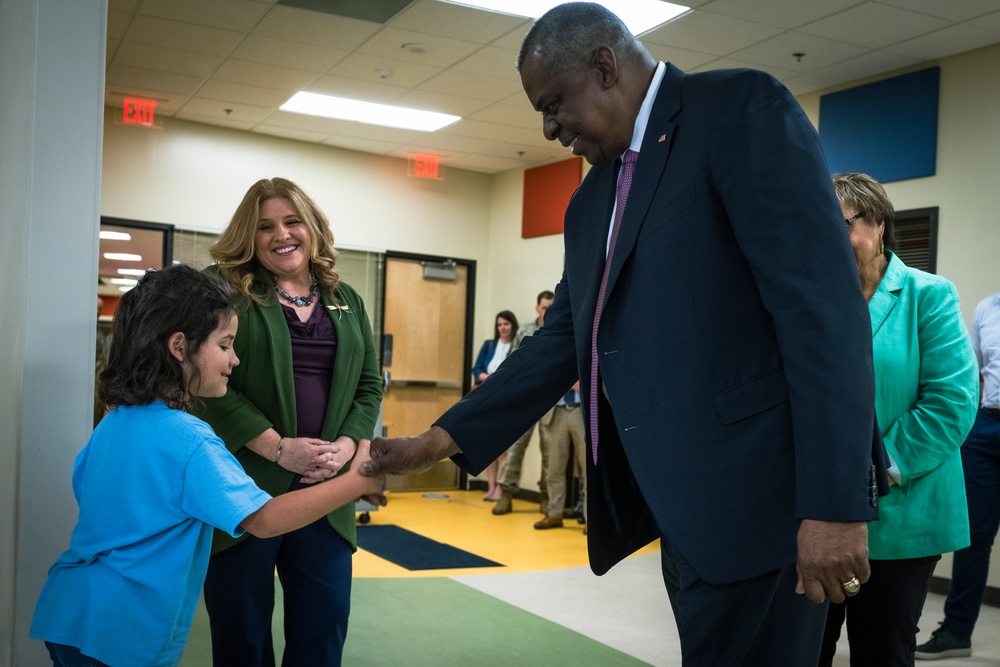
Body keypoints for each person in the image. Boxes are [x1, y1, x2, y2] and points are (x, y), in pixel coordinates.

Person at [362, 4, 888, 664]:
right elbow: (559, 343)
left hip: (767, 504)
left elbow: (823, 313)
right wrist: (439, 439)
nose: (550, 128)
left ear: (604, 66)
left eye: (553, 104)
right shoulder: (589, 203)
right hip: (686, 517)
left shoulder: (737, 111)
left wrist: (836, 503)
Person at [29, 265, 384, 667]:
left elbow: (88, 490)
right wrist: (356, 481)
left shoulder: (114, 422)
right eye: (225, 344)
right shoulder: (191, 441)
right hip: (123, 630)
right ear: (179, 347)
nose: (235, 359)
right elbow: (265, 520)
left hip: (68, 612)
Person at [194, 178, 382, 666]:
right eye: (266, 226)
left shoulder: (347, 299)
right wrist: (277, 446)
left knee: (320, 637)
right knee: (243, 637)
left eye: (292, 221)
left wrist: (346, 446)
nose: (283, 234)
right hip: (246, 490)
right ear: (249, 236)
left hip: (325, 491)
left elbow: (368, 385)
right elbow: (206, 382)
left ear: (311, 227)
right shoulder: (228, 291)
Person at [818, 173, 978, 666]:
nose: (831, 237)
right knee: (806, 650)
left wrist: (875, 469)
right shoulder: (813, 299)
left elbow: (951, 402)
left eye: (842, 223)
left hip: (904, 513)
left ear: (880, 224)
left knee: (883, 651)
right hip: (819, 516)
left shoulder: (929, 295)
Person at [916, 289, 1000, 661]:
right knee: (973, 537)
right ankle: (957, 631)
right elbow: (974, 370)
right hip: (986, 429)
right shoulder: (987, 309)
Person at [493, 290, 556, 515]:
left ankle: (547, 498)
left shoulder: (560, 332)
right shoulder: (525, 332)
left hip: (551, 400)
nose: (547, 311)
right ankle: (506, 494)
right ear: (537, 308)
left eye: (551, 307)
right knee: (516, 447)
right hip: (525, 398)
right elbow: (512, 362)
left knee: (549, 451)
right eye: (544, 307)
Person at [471, 309, 519, 501]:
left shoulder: (516, 346)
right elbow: (477, 368)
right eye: (499, 325)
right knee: (487, 445)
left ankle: (500, 487)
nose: (502, 328)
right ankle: (490, 487)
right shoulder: (489, 345)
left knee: (502, 448)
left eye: (506, 324)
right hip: (485, 396)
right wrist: (489, 378)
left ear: (512, 326)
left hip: (505, 399)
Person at [534, 383, 587, 531]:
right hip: (555, 410)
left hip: (582, 409)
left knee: (588, 469)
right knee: (553, 468)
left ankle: (591, 520)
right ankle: (554, 514)